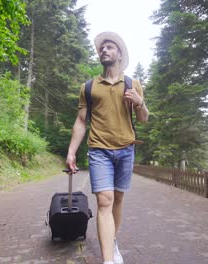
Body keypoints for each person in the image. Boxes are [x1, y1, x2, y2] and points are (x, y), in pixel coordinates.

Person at [65, 32, 149, 264]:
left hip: (126, 149)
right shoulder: (89, 87)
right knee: (105, 201)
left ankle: (111, 242)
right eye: (102, 48)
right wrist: (72, 151)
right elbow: (82, 121)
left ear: (119, 53)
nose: (104, 50)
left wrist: (140, 103)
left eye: (110, 47)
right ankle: (108, 260)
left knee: (118, 199)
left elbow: (143, 118)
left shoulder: (133, 84)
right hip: (99, 149)